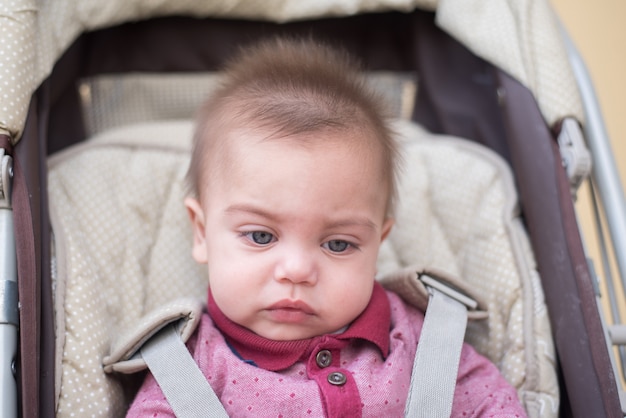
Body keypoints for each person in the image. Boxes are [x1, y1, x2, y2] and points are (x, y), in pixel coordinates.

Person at [126, 37, 527, 417]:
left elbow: (489, 402)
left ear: (377, 244)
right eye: (261, 236)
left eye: (338, 244)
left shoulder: (418, 339)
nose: (297, 271)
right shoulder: (187, 370)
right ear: (201, 232)